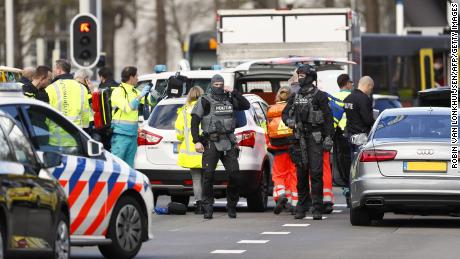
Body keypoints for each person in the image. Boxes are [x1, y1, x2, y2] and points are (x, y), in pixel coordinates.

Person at [191, 74, 250, 219]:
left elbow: (246, 105)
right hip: (211, 141)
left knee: (235, 175)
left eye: (221, 84)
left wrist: (234, 91)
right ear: (211, 85)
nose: (219, 87)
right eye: (216, 84)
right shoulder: (204, 100)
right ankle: (207, 207)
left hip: (228, 141)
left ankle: (231, 206)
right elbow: (194, 121)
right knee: (208, 176)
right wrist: (196, 140)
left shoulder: (229, 98)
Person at [282, 65, 334, 220]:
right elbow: (285, 114)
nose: (300, 77)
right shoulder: (295, 95)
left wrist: (329, 137)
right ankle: (302, 206)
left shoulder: (320, 96)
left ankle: (317, 207)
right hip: (299, 138)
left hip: (315, 137)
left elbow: (328, 118)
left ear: (311, 77)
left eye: (303, 74)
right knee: (301, 173)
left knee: (316, 173)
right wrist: (290, 122)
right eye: (299, 74)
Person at [266, 86, 298, 215]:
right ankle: (293, 202)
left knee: (279, 174)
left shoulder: (271, 110)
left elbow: (266, 130)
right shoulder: (293, 108)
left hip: (277, 147)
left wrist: (269, 144)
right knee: (293, 174)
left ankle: (280, 194)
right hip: (292, 145)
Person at [110, 66, 151, 167]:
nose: (138, 78)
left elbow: (150, 102)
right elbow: (126, 108)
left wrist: (153, 93)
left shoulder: (134, 91)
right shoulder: (118, 91)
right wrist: (140, 96)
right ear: (131, 77)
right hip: (120, 134)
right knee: (117, 165)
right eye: (136, 75)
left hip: (132, 135)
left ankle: (127, 183)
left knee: (129, 167)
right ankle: (114, 183)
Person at [175, 86, 205, 214]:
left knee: (196, 180)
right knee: (206, 179)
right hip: (205, 149)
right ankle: (205, 203)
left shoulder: (183, 112)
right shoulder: (206, 109)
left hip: (190, 152)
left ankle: (199, 205)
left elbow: (179, 134)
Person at [329, 74, 353, 207]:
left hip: (337, 134)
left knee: (340, 164)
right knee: (351, 164)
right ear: (347, 83)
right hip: (350, 134)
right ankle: (351, 190)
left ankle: (346, 191)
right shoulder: (352, 97)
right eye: (351, 83)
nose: (352, 85)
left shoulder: (334, 97)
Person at [46, 59, 91, 131]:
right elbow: (85, 111)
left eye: (54, 69)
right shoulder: (82, 88)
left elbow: (47, 111)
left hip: (56, 133)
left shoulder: (50, 88)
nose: (52, 71)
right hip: (76, 131)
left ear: (59, 70)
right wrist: (85, 129)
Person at [343, 76, 375, 156]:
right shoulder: (364, 99)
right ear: (368, 85)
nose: (370, 91)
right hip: (361, 137)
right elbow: (367, 120)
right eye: (371, 89)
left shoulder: (348, 98)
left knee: (351, 162)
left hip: (350, 136)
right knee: (359, 163)